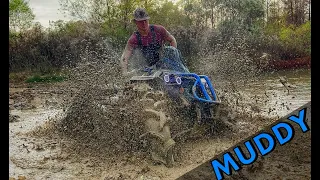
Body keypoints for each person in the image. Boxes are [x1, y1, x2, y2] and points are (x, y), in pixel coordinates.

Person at [120, 7, 188, 76]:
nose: (144, 23)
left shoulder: (159, 30)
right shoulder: (134, 39)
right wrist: (124, 72)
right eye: (140, 21)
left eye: (145, 20)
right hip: (147, 69)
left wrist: (172, 57)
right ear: (135, 22)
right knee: (135, 72)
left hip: (164, 63)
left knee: (171, 50)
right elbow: (124, 57)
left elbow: (172, 40)